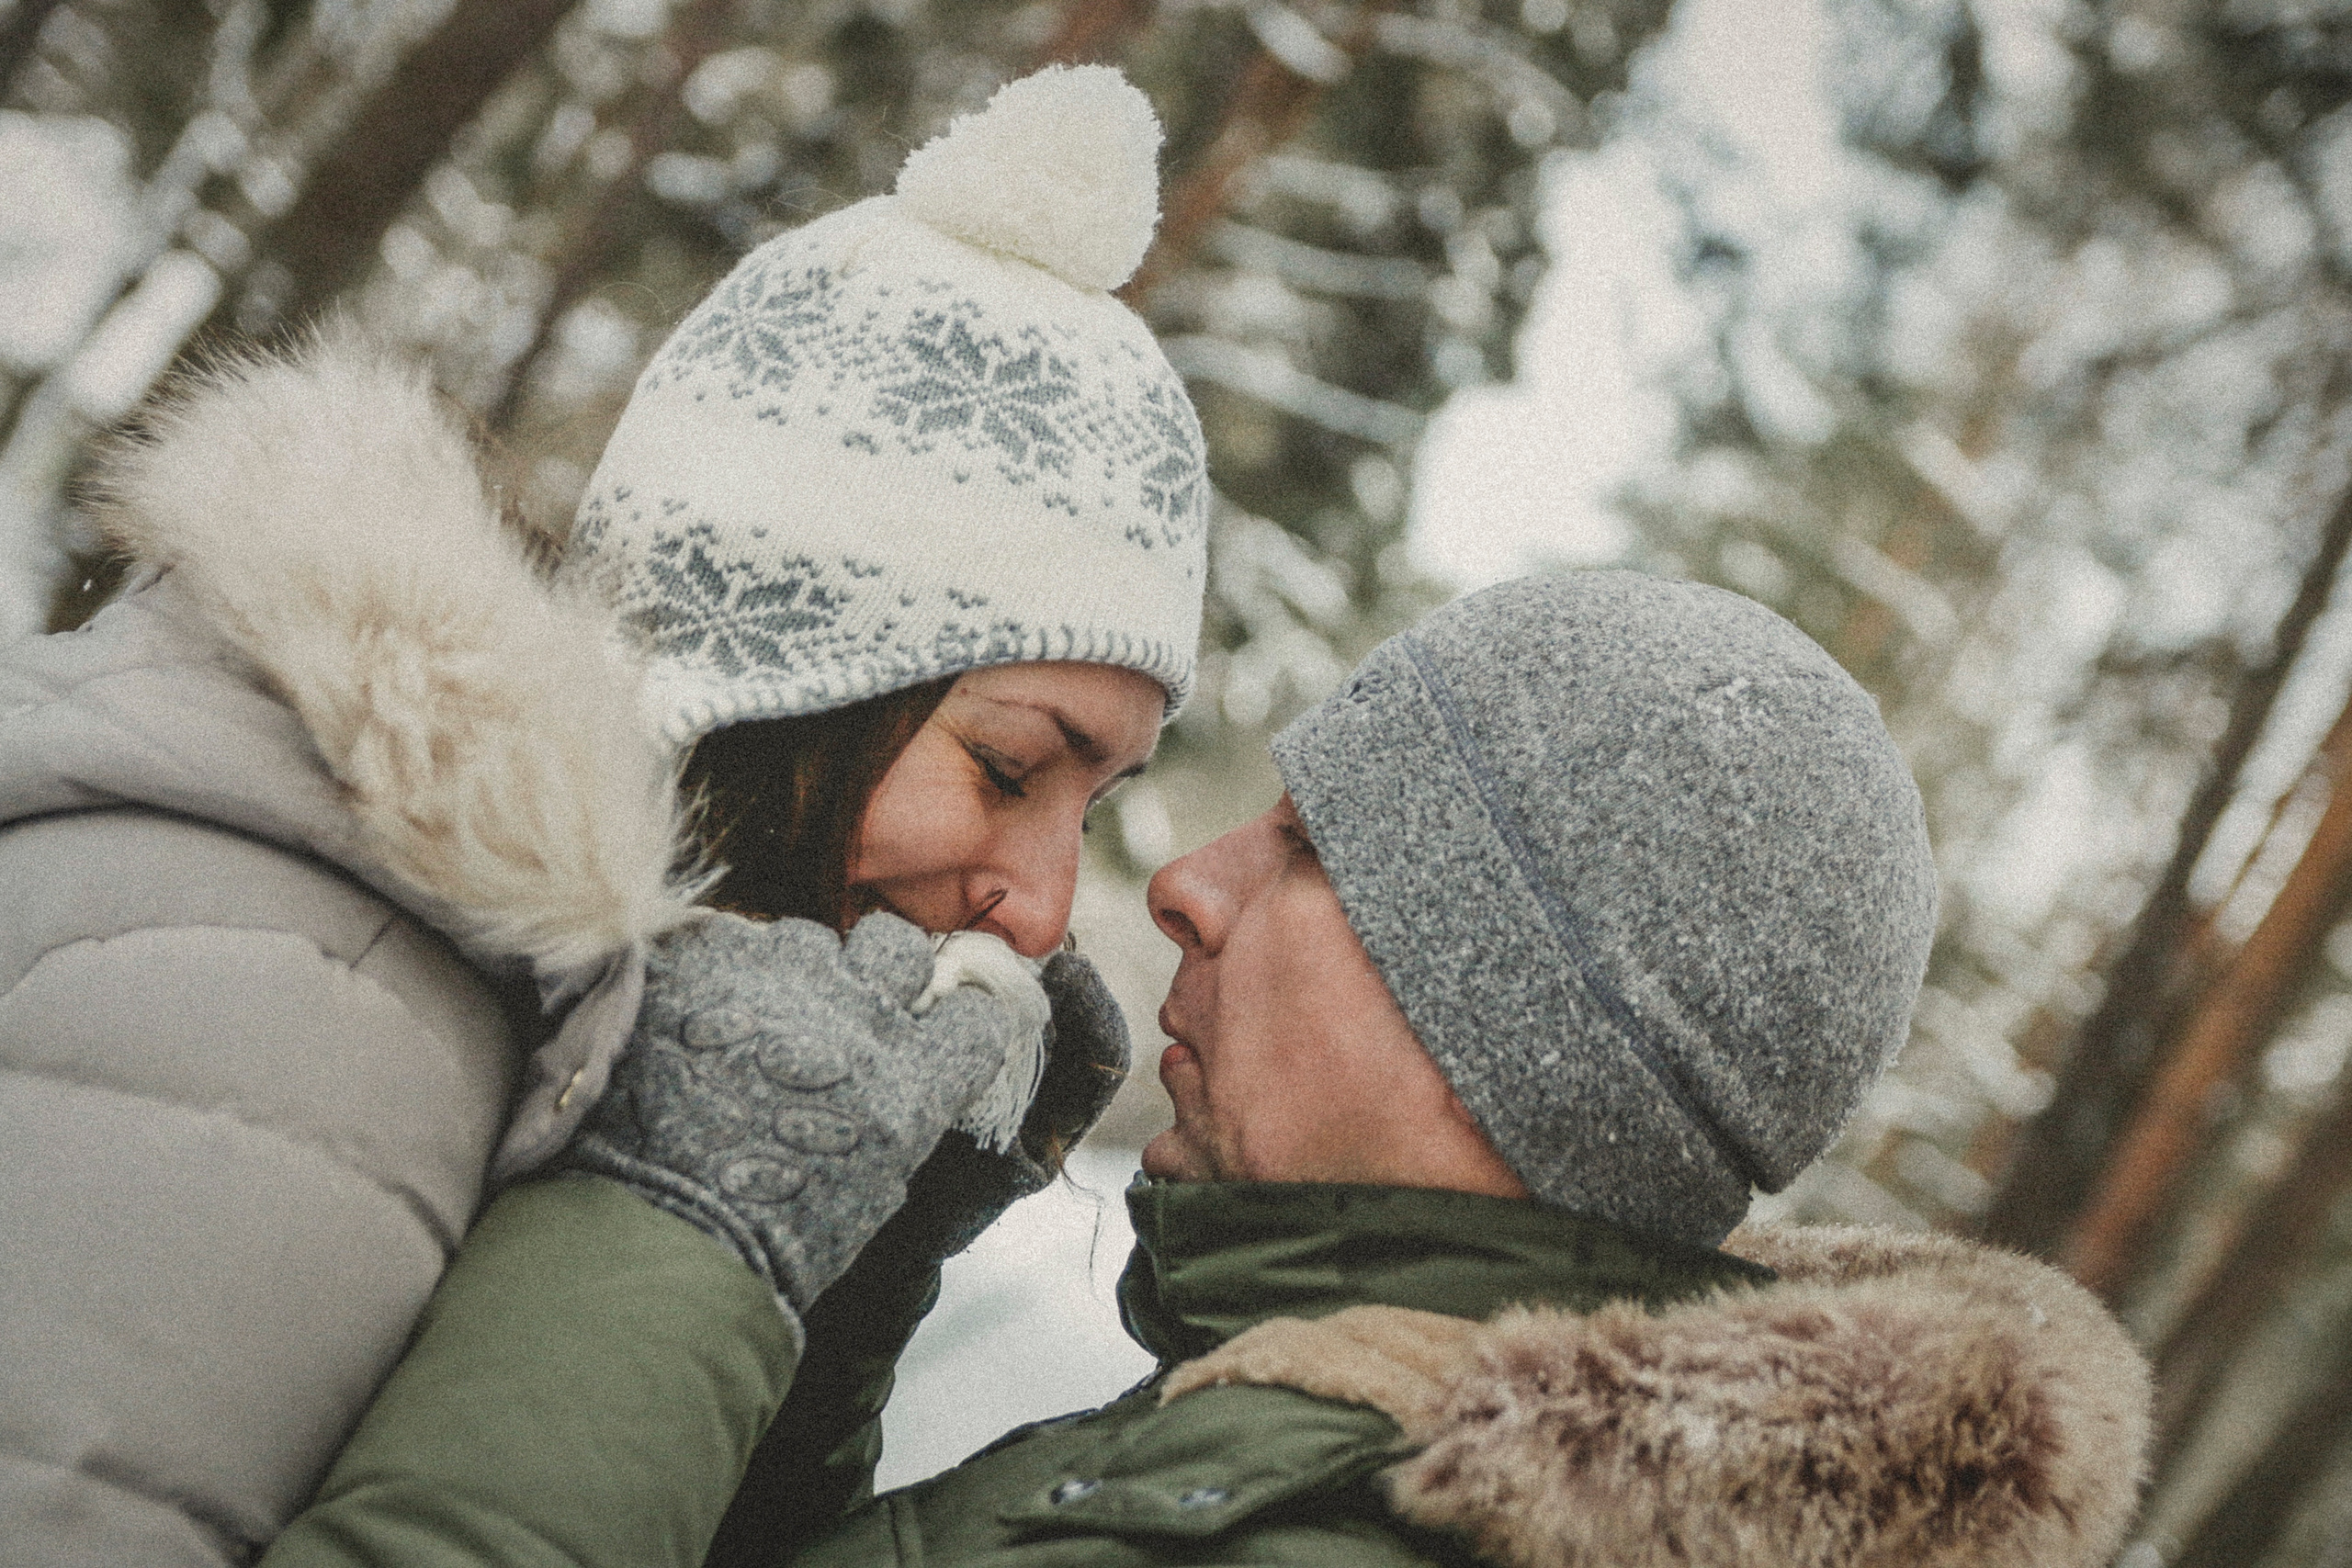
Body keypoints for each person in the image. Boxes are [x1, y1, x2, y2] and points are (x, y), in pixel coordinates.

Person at [258, 572, 2154, 1568]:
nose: (1178, 878)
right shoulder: (1312, 1453)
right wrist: (834, 1298)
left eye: (1314, 846)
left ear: (1497, 1025)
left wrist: (682, 1223)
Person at [0, 63, 1205, 1568]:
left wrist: (836, 1267)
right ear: (776, 673)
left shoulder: (541, 1014)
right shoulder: (289, 986)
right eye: (1012, 769)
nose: (1040, 903)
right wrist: (688, 1235)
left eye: (1095, 806)